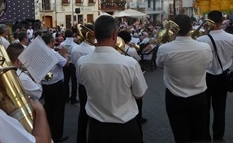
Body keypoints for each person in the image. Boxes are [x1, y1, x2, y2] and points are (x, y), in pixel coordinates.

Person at [77, 15, 148, 143]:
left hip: (96, 129)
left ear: (95, 34)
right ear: (115, 35)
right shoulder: (130, 63)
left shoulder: (82, 62)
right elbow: (139, 94)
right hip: (125, 128)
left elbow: (82, 84)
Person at [156, 14, 212, 143]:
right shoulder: (205, 47)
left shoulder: (164, 49)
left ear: (173, 29)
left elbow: (159, 65)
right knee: (199, 135)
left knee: (180, 135)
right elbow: (208, 65)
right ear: (191, 27)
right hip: (199, 97)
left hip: (175, 98)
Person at [197, 10, 233, 141]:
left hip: (206, 76)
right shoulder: (231, 38)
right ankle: (218, 135)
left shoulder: (201, 39)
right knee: (220, 109)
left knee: (204, 109)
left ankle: (205, 136)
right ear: (222, 20)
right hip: (223, 76)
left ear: (208, 21)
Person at [41, 33, 69, 143]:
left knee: (48, 109)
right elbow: (65, 64)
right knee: (58, 111)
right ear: (51, 42)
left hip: (45, 85)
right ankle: (57, 135)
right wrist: (65, 54)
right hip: (56, 85)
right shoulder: (52, 53)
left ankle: (48, 131)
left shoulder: (40, 52)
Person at [72, 23, 95, 143]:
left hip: (81, 84)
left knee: (83, 111)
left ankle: (80, 139)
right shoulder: (94, 49)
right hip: (93, 85)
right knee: (94, 113)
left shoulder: (75, 49)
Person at [60, 29, 79, 104]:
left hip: (65, 63)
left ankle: (66, 98)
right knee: (74, 82)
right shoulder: (75, 45)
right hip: (73, 64)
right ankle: (73, 98)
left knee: (66, 81)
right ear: (72, 35)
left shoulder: (62, 44)